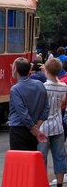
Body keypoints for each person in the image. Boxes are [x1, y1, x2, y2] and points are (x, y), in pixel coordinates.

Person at [8, 57, 49, 151]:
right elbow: (46, 108)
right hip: (34, 130)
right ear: (29, 70)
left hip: (18, 130)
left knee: (20, 162)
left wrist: (33, 129)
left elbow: (22, 112)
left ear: (16, 70)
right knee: (31, 160)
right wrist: (37, 126)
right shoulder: (39, 84)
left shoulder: (15, 89)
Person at [37, 58, 67, 187]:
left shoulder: (42, 87)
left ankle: (42, 182)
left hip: (43, 127)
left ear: (47, 70)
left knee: (41, 157)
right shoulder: (63, 87)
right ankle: (60, 183)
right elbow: (62, 100)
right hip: (58, 126)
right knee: (59, 156)